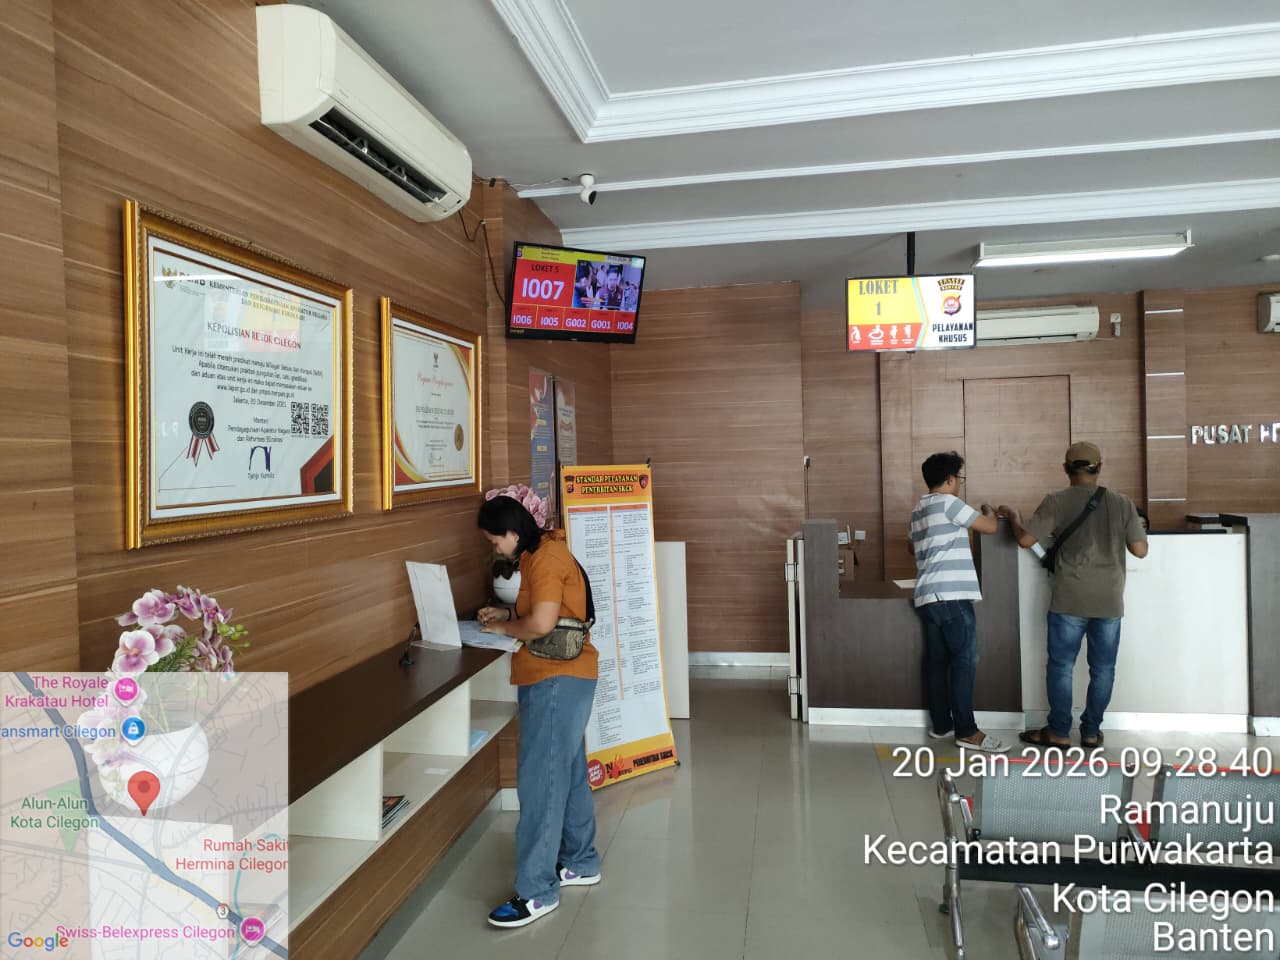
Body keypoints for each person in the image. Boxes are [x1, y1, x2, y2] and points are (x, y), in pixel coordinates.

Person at [476, 495, 601, 928]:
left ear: (513, 532)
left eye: (494, 541)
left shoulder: (545, 559)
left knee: (541, 784)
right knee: (569, 773)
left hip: (555, 680)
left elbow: (542, 624)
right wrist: (508, 612)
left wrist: (503, 627)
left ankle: (536, 892)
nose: (494, 549)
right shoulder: (540, 552)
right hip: (567, 679)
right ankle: (581, 862)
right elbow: (546, 609)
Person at [1002, 441, 1148, 750]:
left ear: (1066, 468)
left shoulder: (1056, 501)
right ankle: (1091, 732)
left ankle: (1058, 731)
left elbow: (1026, 540)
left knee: (1061, 666)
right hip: (1109, 600)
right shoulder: (1122, 503)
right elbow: (1140, 549)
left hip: (1069, 598)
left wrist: (1014, 518)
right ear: (1099, 467)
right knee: (1104, 670)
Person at [909, 452, 1007, 753]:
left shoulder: (919, 509)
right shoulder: (949, 503)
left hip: (928, 596)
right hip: (951, 596)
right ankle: (967, 731)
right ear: (951, 479)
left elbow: (912, 547)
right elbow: (990, 527)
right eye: (959, 478)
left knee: (937, 662)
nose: (960, 484)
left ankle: (942, 725)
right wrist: (989, 511)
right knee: (965, 660)